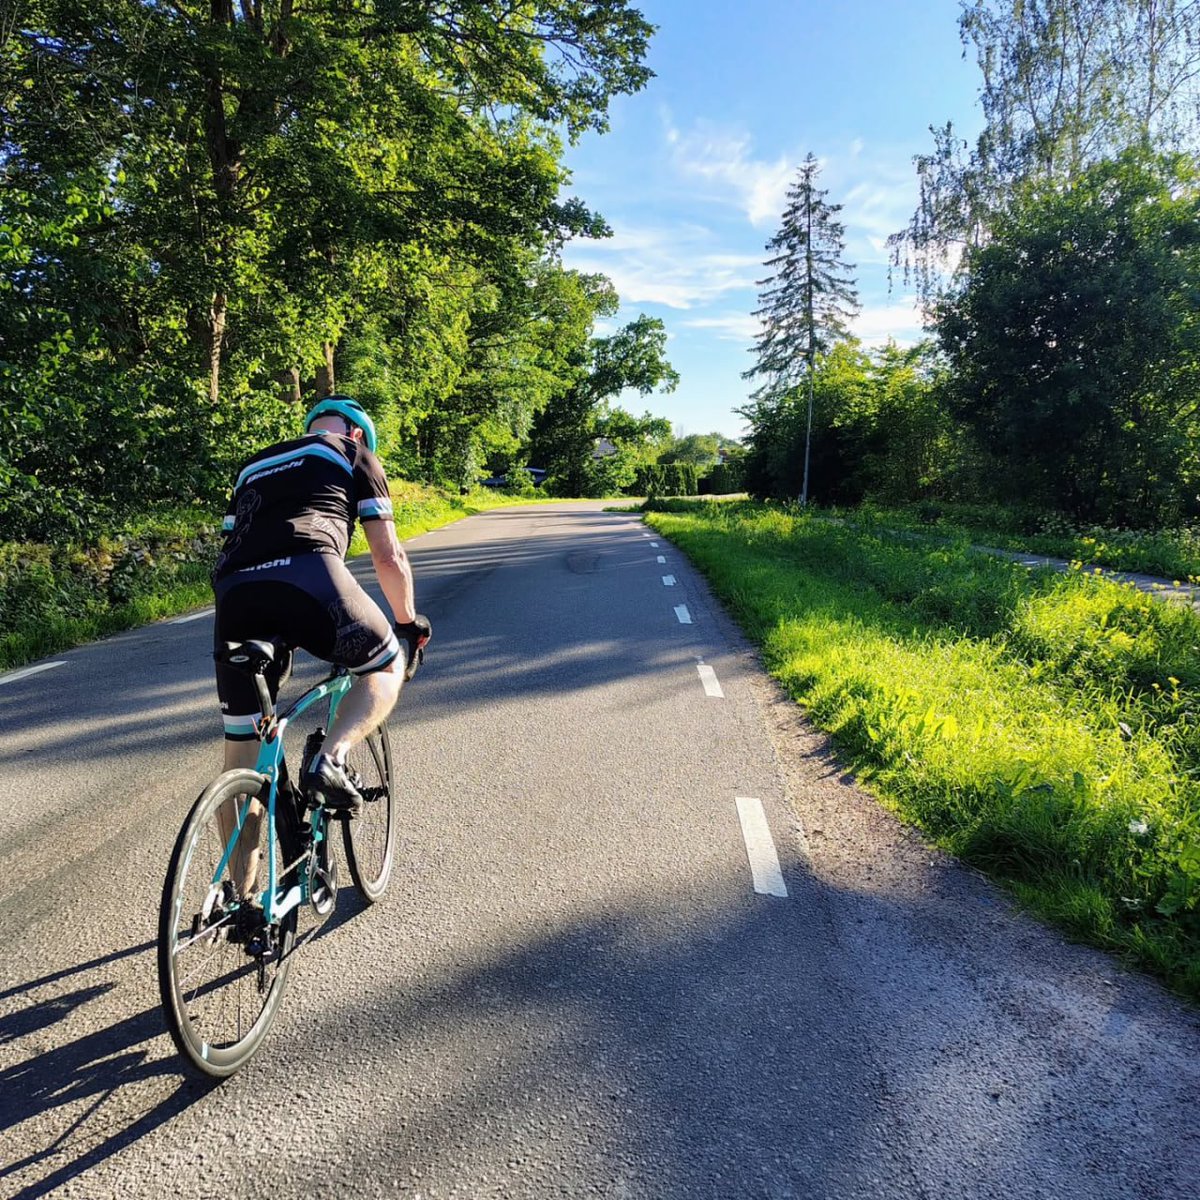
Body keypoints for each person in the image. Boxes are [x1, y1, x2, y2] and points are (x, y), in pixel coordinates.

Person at [212, 395, 431, 822]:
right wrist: (407, 622)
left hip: (235, 592)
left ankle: (241, 889)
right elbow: (388, 558)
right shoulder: (353, 452)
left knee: (243, 756)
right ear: (356, 433)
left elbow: (232, 537)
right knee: (386, 666)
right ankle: (330, 760)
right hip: (309, 574)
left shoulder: (254, 464)